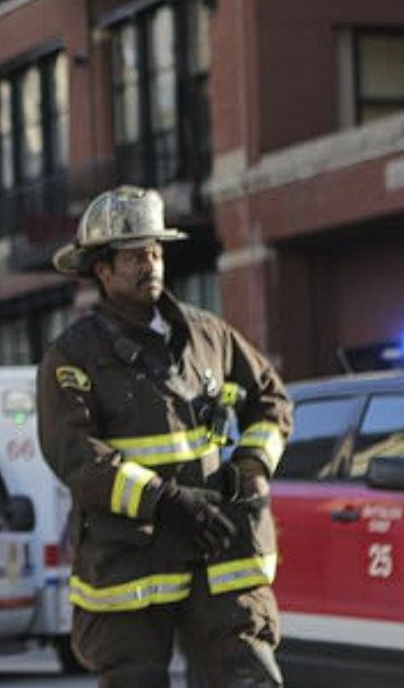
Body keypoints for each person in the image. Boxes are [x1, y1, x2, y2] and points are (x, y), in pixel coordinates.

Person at [37, 186, 293, 688]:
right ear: (102, 270)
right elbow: (77, 457)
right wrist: (168, 502)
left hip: (219, 547)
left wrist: (252, 466)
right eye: (133, 256)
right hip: (132, 560)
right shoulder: (72, 358)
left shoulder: (208, 336)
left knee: (247, 676)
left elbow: (272, 400)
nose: (149, 264)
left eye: (154, 252)